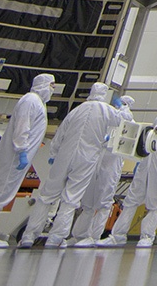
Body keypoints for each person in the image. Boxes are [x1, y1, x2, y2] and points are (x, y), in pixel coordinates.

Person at [19, 82, 118, 248]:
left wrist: (53, 154)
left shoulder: (77, 110)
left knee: (47, 196)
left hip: (64, 156)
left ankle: (29, 236)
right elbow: (125, 121)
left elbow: (60, 133)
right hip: (86, 159)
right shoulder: (107, 110)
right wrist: (120, 106)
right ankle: (55, 239)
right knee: (71, 198)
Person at [0, 73, 54, 248]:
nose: (52, 90)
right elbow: (22, 128)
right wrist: (22, 150)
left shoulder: (38, 103)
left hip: (18, 157)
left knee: (3, 193)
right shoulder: (31, 100)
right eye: (51, 86)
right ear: (42, 85)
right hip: (14, 156)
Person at [101, 87, 157, 247]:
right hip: (148, 160)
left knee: (155, 201)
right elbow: (149, 138)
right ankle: (117, 235)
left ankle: (147, 236)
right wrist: (140, 161)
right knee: (132, 197)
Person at [68, 95, 135, 246]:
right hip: (98, 159)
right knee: (88, 201)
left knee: (104, 201)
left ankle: (94, 237)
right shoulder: (109, 116)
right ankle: (79, 235)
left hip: (112, 163)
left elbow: (127, 123)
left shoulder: (127, 118)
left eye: (123, 104)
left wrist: (123, 109)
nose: (118, 106)